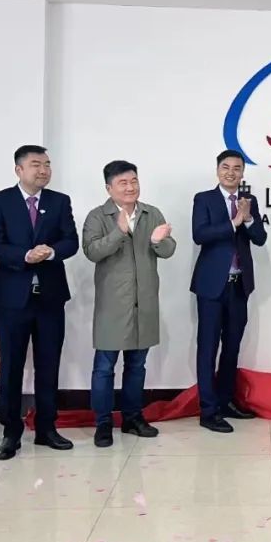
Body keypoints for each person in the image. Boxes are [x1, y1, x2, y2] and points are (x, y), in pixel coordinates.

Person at [0, 145, 79, 460]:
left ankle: (46, 428)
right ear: (19, 169)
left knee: (48, 364)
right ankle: (11, 433)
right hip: (12, 298)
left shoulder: (59, 201)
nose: (43, 170)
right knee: (11, 366)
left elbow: (71, 241)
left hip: (50, 297)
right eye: (36, 164)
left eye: (47, 164)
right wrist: (24, 255)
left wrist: (51, 252)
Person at [82, 161, 176, 447]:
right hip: (112, 306)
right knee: (104, 367)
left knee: (137, 365)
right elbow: (91, 251)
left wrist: (158, 241)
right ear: (109, 188)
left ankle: (133, 418)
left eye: (134, 181)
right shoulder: (98, 216)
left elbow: (169, 249)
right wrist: (119, 232)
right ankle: (103, 423)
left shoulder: (151, 213)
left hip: (144, 303)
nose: (130, 187)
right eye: (123, 183)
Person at [190, 150, 267, 433]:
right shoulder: (204, 199)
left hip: (239, 285)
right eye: (226, 167)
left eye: (237, 168)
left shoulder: (248, 201)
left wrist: (247, 219)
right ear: (217, 170)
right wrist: (233, 223)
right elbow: (200, 235)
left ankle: (225, 402)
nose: (231, 173)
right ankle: (208, 411)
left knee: (232, 346)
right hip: (212, 286)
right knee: (208, 347)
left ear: (243, 173)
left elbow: (260, 238)